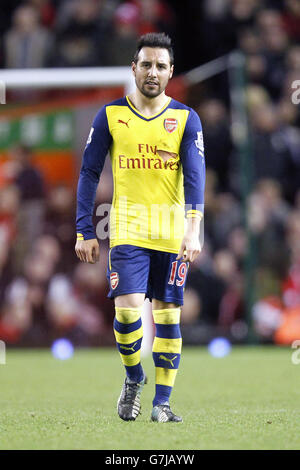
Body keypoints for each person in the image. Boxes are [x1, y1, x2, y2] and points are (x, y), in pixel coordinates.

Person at [75, 32, 205, 423]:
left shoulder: (185, 118)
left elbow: (196, 177)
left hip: (171, 232)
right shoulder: (111, 115)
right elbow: (89, 172)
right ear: (134, 68)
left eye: (161, 66)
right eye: (146, 64)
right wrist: (84, 229)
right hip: (128, 230)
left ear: (171, 73)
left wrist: (193, 228)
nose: (153, 72)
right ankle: (134, 377)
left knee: (168, 318)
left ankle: (162, 404)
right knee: (128, 313)